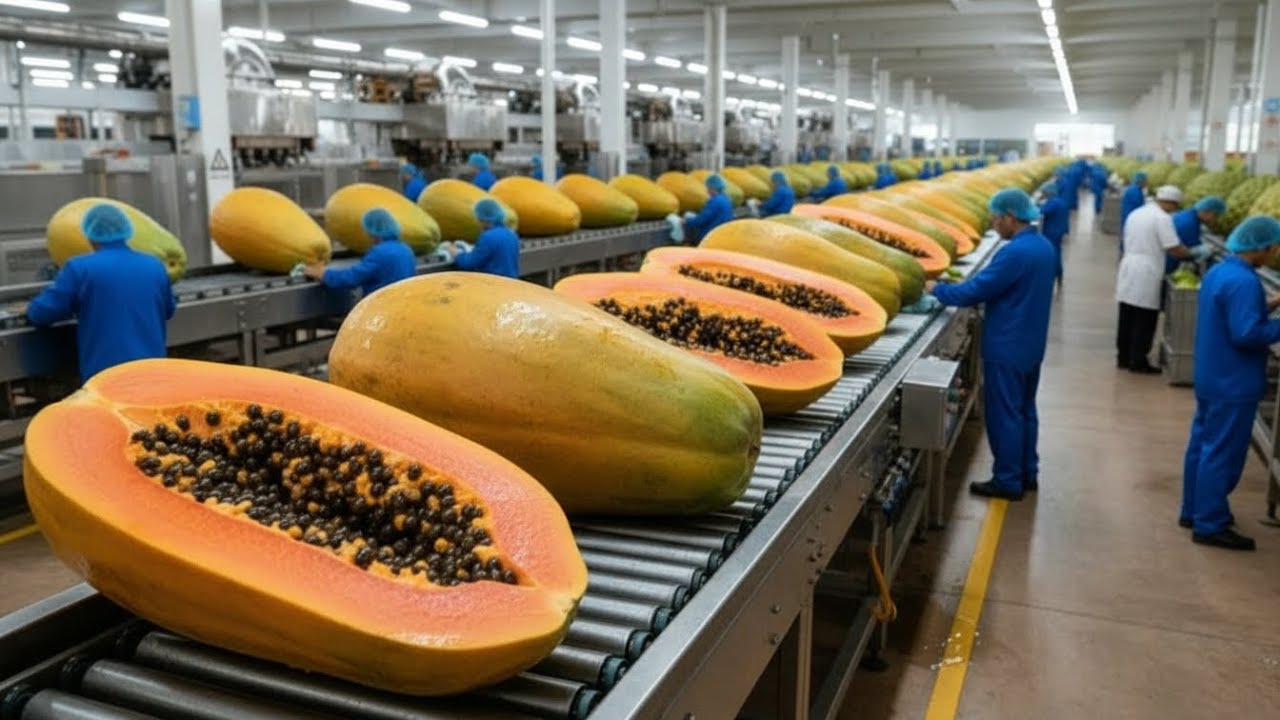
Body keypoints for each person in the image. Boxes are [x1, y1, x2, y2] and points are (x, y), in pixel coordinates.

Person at [926, 188, 1057, 500]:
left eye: (996, 218)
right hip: (1030, 343)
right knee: (1025, 410)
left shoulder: (1015, 253)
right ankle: (1027, 473)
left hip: (1006, 346)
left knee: (1004, 414)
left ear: (1011, 217)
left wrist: (937, 289)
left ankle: (1007, 480)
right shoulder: (1043, 246)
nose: (993, 224)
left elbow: (976, 290)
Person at [1180, 216, 1280, 551]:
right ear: (1261, 247)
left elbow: (1236, 311)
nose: (1276, 252)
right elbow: (1247, 333)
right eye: (1274, 246)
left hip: (1212, 376)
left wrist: (1272, 304)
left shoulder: (1222, 271)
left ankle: (1193, 510)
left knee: (1203, 447)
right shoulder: (1246, 283)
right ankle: (1210, 524)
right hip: (1233, 382)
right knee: (1222, 454)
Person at [25, 203, 175, 383]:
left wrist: (29, 309)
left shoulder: (80, 268)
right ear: (127, 230)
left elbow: (43, 313)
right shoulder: (154, 266)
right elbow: (168, 310)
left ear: (90, 234)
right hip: (152, 371)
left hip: (106, 376)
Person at [1115, 185, 1212, 373]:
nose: (1175, 210)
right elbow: (1173, 248)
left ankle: (1124, 357)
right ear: (1170, 203)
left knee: (1127, 314)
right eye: (1174, 206)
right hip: (1147, 270)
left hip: (1129, 265)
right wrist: (1193, 253)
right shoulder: (1162, 218)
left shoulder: (1137, 213)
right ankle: (1139, 361)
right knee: (1144, 317)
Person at [304, 208, 415, 296]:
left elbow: (351, 278)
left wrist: (323, 274)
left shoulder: (380, 253)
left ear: (373, 230)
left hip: (380, 309)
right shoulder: (405, 249)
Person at [445, 199, 520, 277]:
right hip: (511, 283)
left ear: (484, 219)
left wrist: (456, 254)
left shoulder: (488, 237)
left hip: (493, 285)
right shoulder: (511, 234)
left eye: (479, 219)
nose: (478, 222)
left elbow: (469, 263)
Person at [1166, 196, 1226, 275]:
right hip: (1168, 262)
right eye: (1216, 216)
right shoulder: (1189, 224)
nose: (1216, 220)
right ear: (1208, 212)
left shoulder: (1187, 214)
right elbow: (1187, 251)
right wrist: (1205, 251)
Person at [684, 174, 735, 242]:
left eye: (708, 188)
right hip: (722, 234)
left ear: (713, 188)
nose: (707, 191)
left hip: (710, 237)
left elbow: (700, 221)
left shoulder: (715, 201)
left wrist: (686, 220)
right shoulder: (726, 199)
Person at [1037, 181, 1069, 285]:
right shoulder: (1060, 201)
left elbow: (1043, 211)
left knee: (1053, 253)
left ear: (1048, 192)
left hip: (1052, 232)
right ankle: (1058, 274)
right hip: (1058, 231)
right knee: (1057, 252)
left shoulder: (1053, 202)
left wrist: (1039, 203)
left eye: (1044, 193)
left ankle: (1053, 274)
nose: (1043, 194)